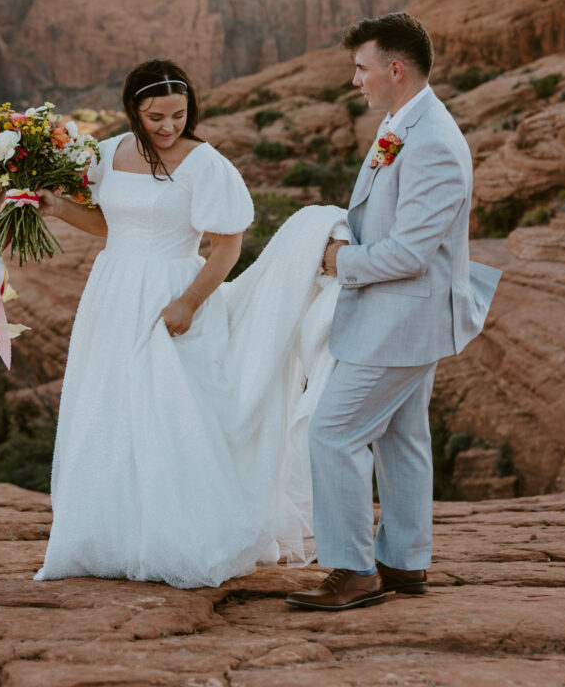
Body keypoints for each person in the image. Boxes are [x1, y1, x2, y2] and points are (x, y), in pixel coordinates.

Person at [33, 58, 347, 588]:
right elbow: (113, 226)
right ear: (133, 110)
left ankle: (178, 541)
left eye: (178, 114)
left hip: (174, 291)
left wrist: (190, 302)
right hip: (113, 292)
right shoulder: (109, 152)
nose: (168, 126)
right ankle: (107, 537)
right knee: (112, 408)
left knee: (169, 411)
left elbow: (227, 246)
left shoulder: (205, 164)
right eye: (155, 116)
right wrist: (59, 208)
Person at [286, 12, 501, 612]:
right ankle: (405, 564)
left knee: (332, 433)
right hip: (407, 314)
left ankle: (354, 571)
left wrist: (336, 261)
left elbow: (409, 252)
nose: (355, 79)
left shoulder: (432, 141)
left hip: (403, 316)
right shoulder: (404, 121)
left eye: (362, 67)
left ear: (395, 69)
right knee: (402, 438)